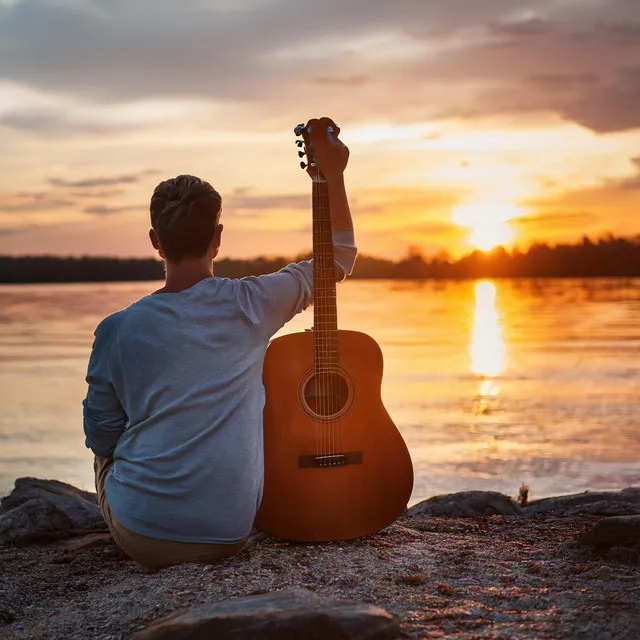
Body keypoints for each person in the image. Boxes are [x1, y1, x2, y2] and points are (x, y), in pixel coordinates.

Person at [83, 127, 357, 569]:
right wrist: (335, 174)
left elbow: (101, 436)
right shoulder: (254, 303)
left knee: (104, 441)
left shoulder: (115, 330)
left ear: (155, 241)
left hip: (146, 536)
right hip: (231, 531)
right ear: (219, 237)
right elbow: (341, 255)